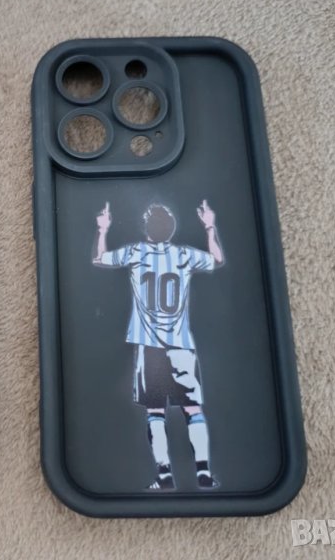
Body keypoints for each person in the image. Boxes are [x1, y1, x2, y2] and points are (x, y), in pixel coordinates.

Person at [93, 200, 224, 490]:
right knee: (193, 410)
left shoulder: (136, 252)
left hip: (150, 347)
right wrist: (210, 227)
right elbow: (216, 259)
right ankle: (203, 471)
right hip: (181, 345)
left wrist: (103, 230)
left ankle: (164, 475)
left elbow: (100, 259)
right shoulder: (183, 255)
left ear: (146, 229)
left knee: (155, 413)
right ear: (171, 229)